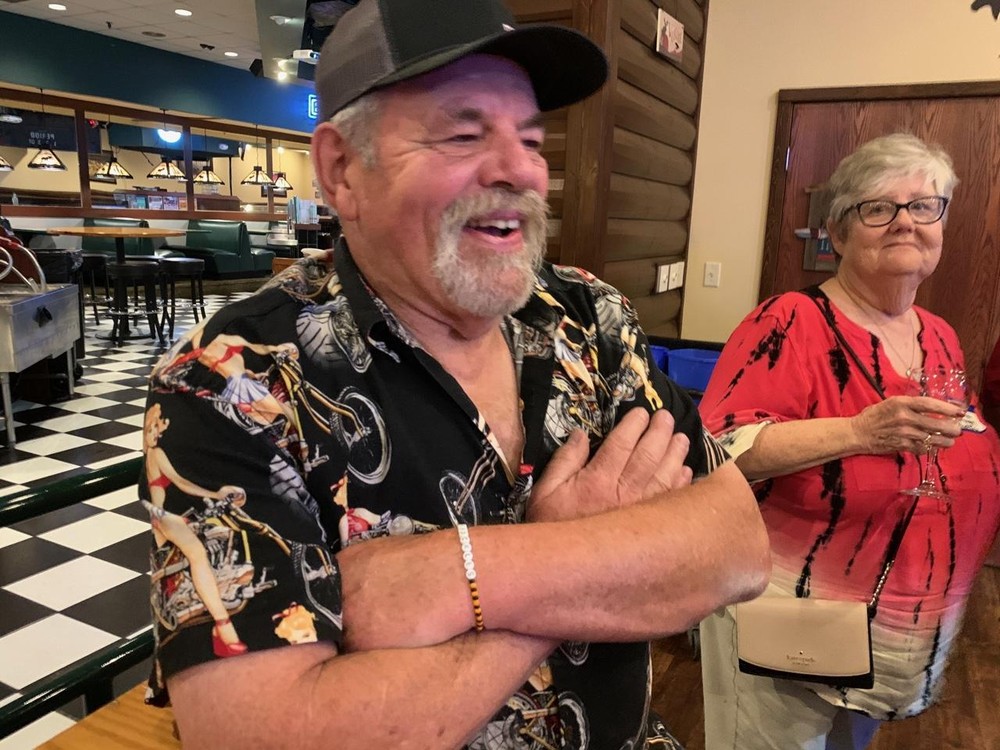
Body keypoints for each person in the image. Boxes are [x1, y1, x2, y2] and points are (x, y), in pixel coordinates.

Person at [140, 0, 770, 747]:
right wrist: (586, 561)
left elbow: (738, 547)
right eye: (463, 134)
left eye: (531, 139)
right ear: (342, 172)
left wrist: (455, 575)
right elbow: (258, 734)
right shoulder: (234, 379)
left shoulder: (591, 317)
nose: (520, 170)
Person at [698, 133, 1000, 749]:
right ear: (837, 233)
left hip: (889, 628)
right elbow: (721, 449)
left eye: (924, 206)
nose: (905, 222)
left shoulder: (938, 334)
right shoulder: (788, 321)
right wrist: (861, 432)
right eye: (878, 208)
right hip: (791, 616)